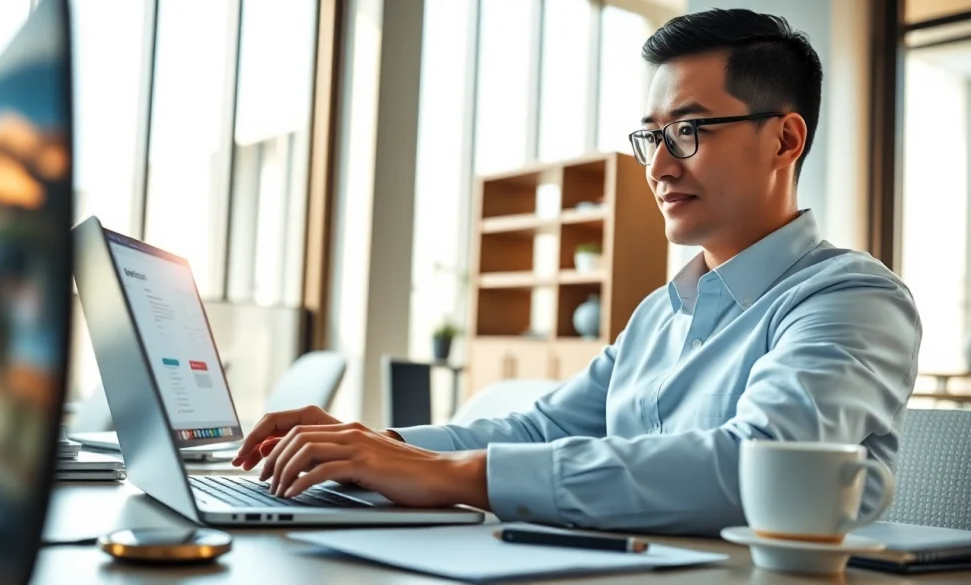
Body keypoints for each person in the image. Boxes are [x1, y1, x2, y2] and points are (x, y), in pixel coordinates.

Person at [232, 8, 921, 535]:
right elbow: (539, 431)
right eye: (652, 135)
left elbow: (755, 464)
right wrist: (370, 445)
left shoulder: (852, 299)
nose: (656, 166)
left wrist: (452, 474)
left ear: (784, 138)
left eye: (688, 130)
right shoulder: (661, 312)